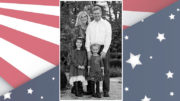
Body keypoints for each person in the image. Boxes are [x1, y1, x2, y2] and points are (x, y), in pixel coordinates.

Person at [85, 6, 112, 97]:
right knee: (91, 68)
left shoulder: (106, 24)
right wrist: (88, 50)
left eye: (98, 13)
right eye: (95, 13)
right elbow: (87, 38)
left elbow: (108, 38)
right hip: (92, 48)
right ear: (92, 14)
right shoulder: (90, 25)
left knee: (105, 69)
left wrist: (104, 51)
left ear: (101, 13)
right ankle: (91, 90)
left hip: (103, 47)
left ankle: (105, 90)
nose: (96, 15)